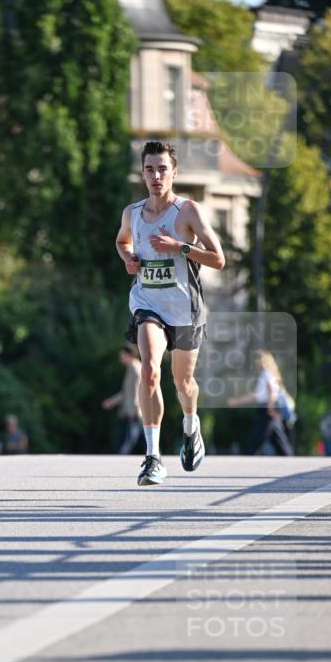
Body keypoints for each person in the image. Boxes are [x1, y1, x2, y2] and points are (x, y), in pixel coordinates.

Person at [116, 141, 225, 486]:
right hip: (148, 303)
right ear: (142, 173)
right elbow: (122, 241)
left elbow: (218, 259)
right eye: (150, 169)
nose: (156, 176)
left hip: (185, 309)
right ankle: (153, 457)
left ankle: (191, 427)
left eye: (162, 169)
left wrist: (180, 247)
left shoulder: (188, 211)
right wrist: (128, 258)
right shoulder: (132, 213)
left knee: (183, 383)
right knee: (149, 369)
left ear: (174, 172)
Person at [228, 350, 294, 456]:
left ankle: (249, 455)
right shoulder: (269, 374)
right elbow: (256, 396)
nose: (256, 362)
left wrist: (270, 408)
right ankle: (287, 455)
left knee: (257, 435)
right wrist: (237, 401)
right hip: (268, 408)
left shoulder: (266, 373)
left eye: (259, 360)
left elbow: (272, 392)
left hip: (266, 409)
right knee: (277, 436)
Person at [101, 345, 142, 454]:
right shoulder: (133, 367)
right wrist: (112, 401)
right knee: (129, 437)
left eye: (122, 356)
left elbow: (137, 391)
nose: (121, 359)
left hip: (133, 411)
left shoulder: (135, 368)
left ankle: (119, 458)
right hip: (131, 410)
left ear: (130, 355)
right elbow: (126, 392)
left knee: (128, 438)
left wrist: (135, 409)